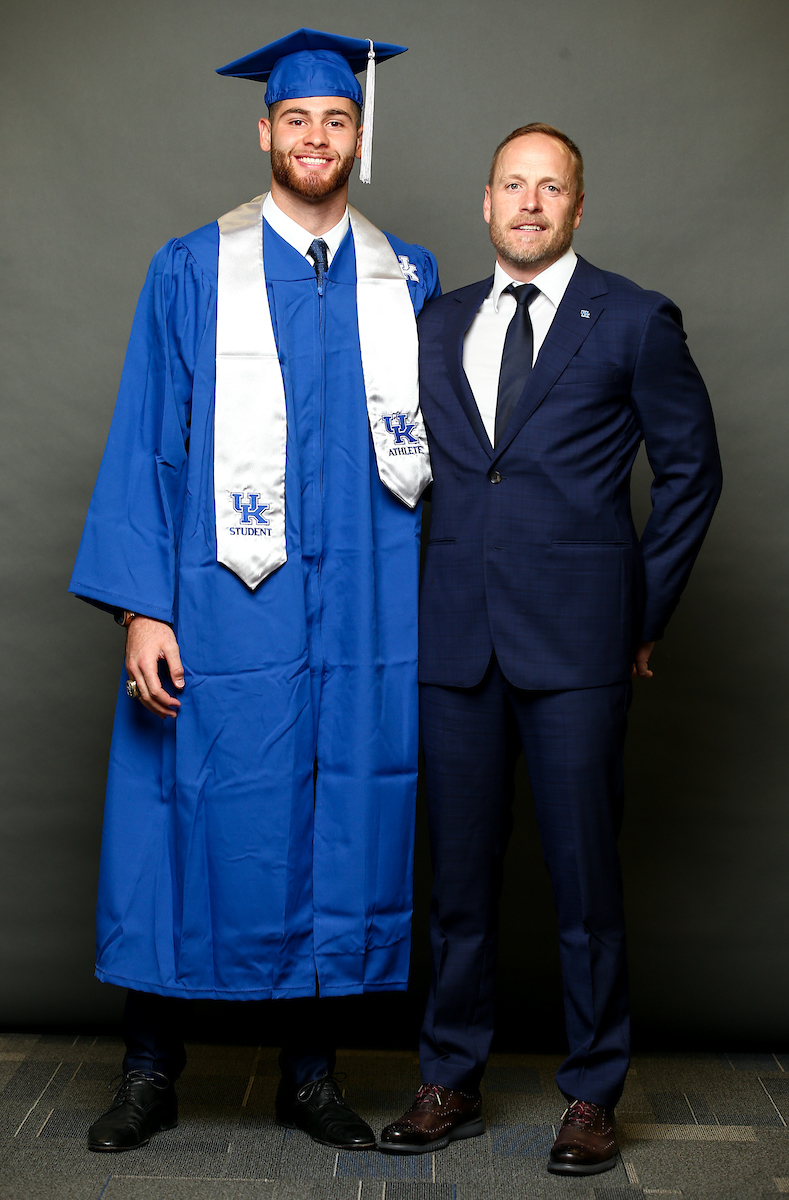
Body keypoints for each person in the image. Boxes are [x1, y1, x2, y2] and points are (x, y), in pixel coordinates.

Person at [69, 28, 439, 1153]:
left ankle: (309, 1077)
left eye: (336, 120)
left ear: (358, 137)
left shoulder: (406, 278)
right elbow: (147, 439)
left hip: (365, 605)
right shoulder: (192, 268)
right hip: (225, 600)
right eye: (296, 119)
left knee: (331, 814)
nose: (316, 136)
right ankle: (149, 1069)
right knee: (182, 813)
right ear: (263, 130)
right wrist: (143, 606)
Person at [379, 123, 722, 1175]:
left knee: (584, 883)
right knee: (457, 886)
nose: (529, 204)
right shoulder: (433, 322)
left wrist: (639, 614)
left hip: (579, 644)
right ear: (485, 203)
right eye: (512, 186)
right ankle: (448, 1077)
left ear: (577, 206)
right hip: (454, 643)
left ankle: (591, 1093)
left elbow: (692, 473)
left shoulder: (633, 319)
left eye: (551, 188)